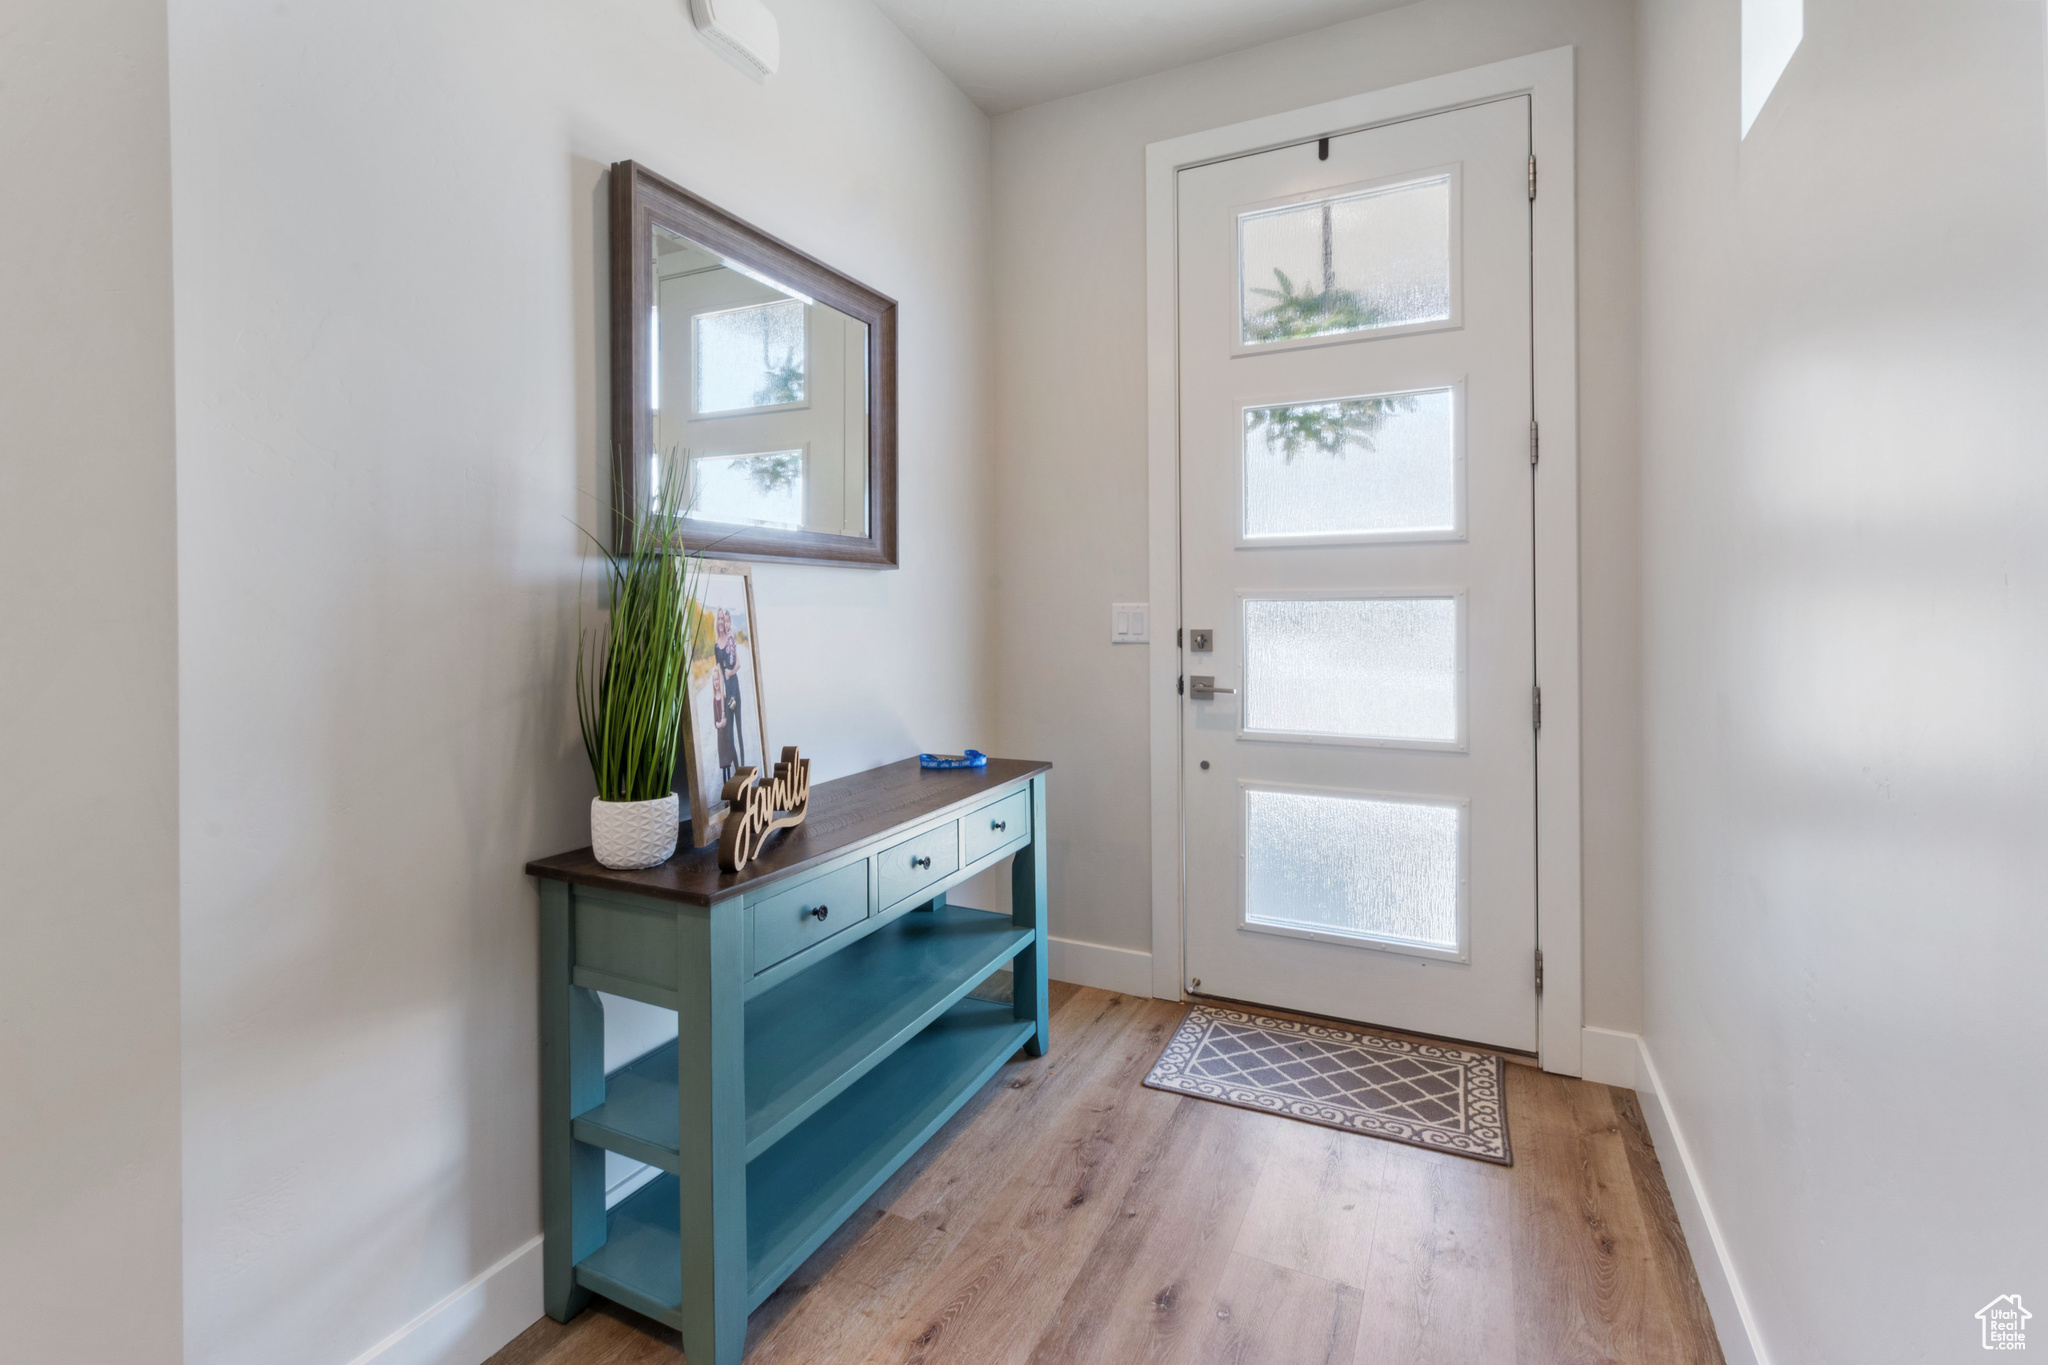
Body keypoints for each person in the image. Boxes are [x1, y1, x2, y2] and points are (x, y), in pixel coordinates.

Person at [716, 606, 746, 770]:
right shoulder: (716, 646)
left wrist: (730, 672)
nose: (723, 622)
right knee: (729, 734)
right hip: (727, 694)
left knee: (739, 731)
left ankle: (744, 765)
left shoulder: (731, 640)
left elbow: (738, 664)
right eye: (721, 619)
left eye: (726, 620)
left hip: (735, 689)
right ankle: (738, 769)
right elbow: (719, 673)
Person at [711, 663, 736, 782]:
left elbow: (729, 714)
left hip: (726, 735)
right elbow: (715, 721)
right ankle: (725, 788)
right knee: (723, 765)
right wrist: (718, 724)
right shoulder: (714, 700)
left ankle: (730, 785)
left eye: (717, 679)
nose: (716, 682)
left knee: (728, 764)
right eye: (714, 679)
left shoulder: (724, 698)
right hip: (720, 737)